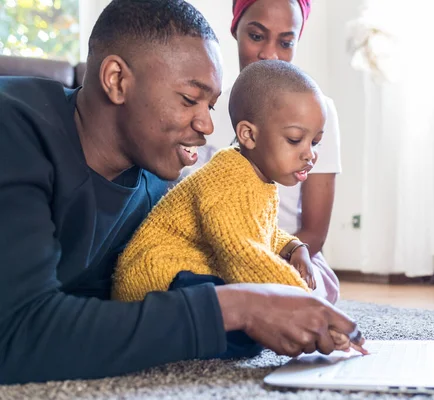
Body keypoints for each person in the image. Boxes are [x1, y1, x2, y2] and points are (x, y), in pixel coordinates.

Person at [0, 0, 365, 385]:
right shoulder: (15, 128)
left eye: (210, 104)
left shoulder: (155, 185)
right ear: (116, 80)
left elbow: (110, 310)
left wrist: (286, 260)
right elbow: (18, 337)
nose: (207, 125)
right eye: (190, 99)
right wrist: (240, 306)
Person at [112, 60, 325, 302]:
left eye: (315, 142)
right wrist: (304, 301)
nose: (310, 154)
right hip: (157, 277)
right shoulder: (228, 180)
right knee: (244, 313)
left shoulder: (256, 177)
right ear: (249, 135)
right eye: (295, 139)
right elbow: (244, 256)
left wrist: (294, 247)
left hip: (186, 273)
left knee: (250, 314)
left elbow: (259, 231)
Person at [181, 0, 341, 304]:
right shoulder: (206, 110)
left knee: (302, 291)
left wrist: (268, 261)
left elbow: (315, 233)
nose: (270, 54)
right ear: (236, 30)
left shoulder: (319, 112)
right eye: (256, 36)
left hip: (285, 253)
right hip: (215, 248)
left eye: (285, 42)